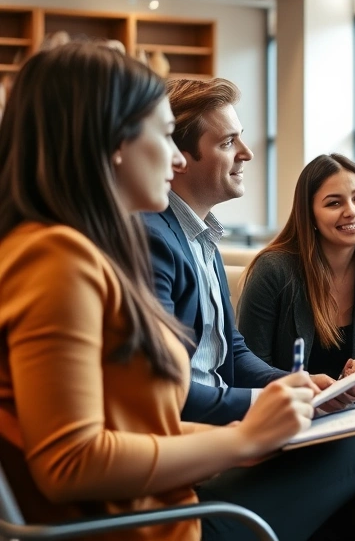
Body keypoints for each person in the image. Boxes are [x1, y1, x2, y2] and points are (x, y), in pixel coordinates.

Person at [0, 42, 321, 540]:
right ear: (115, 142)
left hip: (155, 507)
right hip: (144, 526)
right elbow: (71, 462)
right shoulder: (55, 258)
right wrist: (242, 439)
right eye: (166, 136)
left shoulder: (70, 249)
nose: (175, 159)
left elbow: (135, 425)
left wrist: (253, 434)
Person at [143, 76, 355, 540]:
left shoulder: (202, 241)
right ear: (179, 158)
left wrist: (298, 388)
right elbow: (166, 396)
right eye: (227, 142)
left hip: (228, 440)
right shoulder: (155, 240)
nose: (247, 154)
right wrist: (280, 402)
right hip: (195, 471)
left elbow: (232, 355)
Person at [237, 153, 355, 407]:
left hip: (353, 406)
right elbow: (248, 363)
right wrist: (304, 386)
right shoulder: (273, 269)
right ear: (310, 215)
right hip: (286, 407)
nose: (352, 211)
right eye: (334, 203)